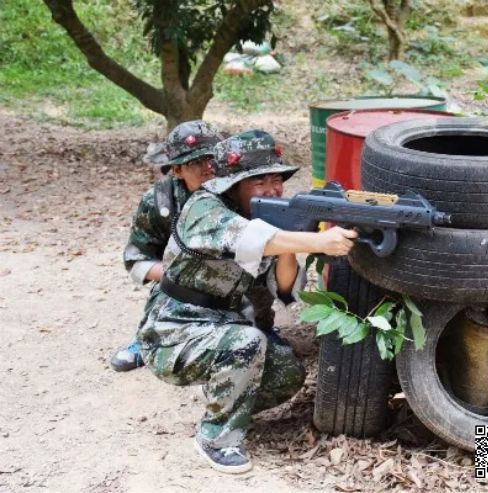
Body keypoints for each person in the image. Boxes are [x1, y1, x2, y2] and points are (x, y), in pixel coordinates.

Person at [137, 130, 358, 474]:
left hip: (221, 326)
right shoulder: (205, 208)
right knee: (247, 342)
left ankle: (224, 398)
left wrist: (290, 243)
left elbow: (284, 289)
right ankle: (217, 438)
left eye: (276, 180)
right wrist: (316, 241)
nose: (271, 189)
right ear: (233, 185)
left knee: (287, 372)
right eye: (258, 182)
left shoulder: (265, 220)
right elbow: (250, 239)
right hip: (172, 331)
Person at [111, 120, 222, 371]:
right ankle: (151, 340)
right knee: (171, 287)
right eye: (196, 162)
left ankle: (261, 329)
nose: (208, 168)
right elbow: (137, 259)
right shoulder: (160, 202)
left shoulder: (239, 190)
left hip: (238, 278)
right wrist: (185, 273)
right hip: (183, 282)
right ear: (177, 170)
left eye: (213, 158)